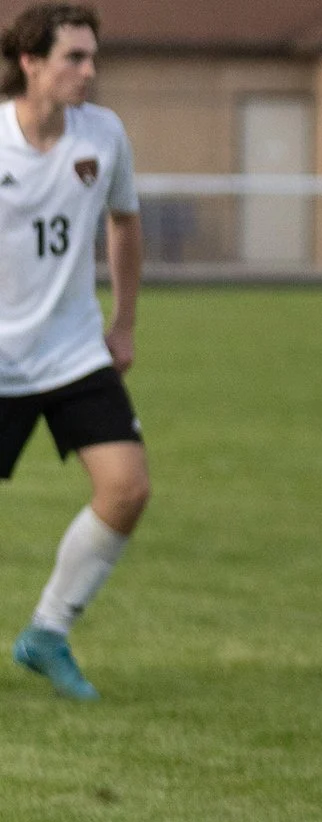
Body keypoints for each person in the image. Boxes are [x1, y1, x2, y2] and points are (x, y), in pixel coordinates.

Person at [0, 2, 144, 702]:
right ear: (30, 62)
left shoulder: (104, 134)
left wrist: (123, 323)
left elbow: (123, 222)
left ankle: (47, 633)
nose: (89, 72)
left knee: (127, 489)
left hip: (74, 351)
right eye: (73, 58)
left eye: (93, 58)